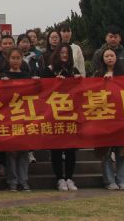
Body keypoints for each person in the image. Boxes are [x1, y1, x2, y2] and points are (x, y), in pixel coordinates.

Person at [94, 47, 124, 190]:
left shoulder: (123, 74)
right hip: (104, 116)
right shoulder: (98, 74)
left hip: (121, 115)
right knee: (106, 151)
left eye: (112, 55)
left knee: (122, 150)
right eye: (106, 56)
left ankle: (121, 180)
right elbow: (92, 93)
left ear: (116, 58)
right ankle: (109, 181)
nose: (109, 58)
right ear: (102, 59)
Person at [47, 43, 82, 191]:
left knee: (70, 149)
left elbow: (81, 91)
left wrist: (79, 80)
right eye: (62, 52)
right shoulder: (49, 70)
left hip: (70, 114)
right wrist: (54, 82)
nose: (64, 55)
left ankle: (69, 178)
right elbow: (42, 90)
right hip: (53, 114)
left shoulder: (73, 70)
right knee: (56, 149)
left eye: (67, 52)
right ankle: (59, 179)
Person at [0, 48, 32, 191]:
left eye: (18, 58)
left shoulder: (27, 76)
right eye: (13, 58)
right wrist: (3, 83)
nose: (15, 60)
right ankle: (12, 180)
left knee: (24, 150)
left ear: (22, 59)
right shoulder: (3, 75)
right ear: (8, 59)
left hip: (24, 116)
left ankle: (23, 180)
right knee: (11, 151)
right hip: (9, 117)